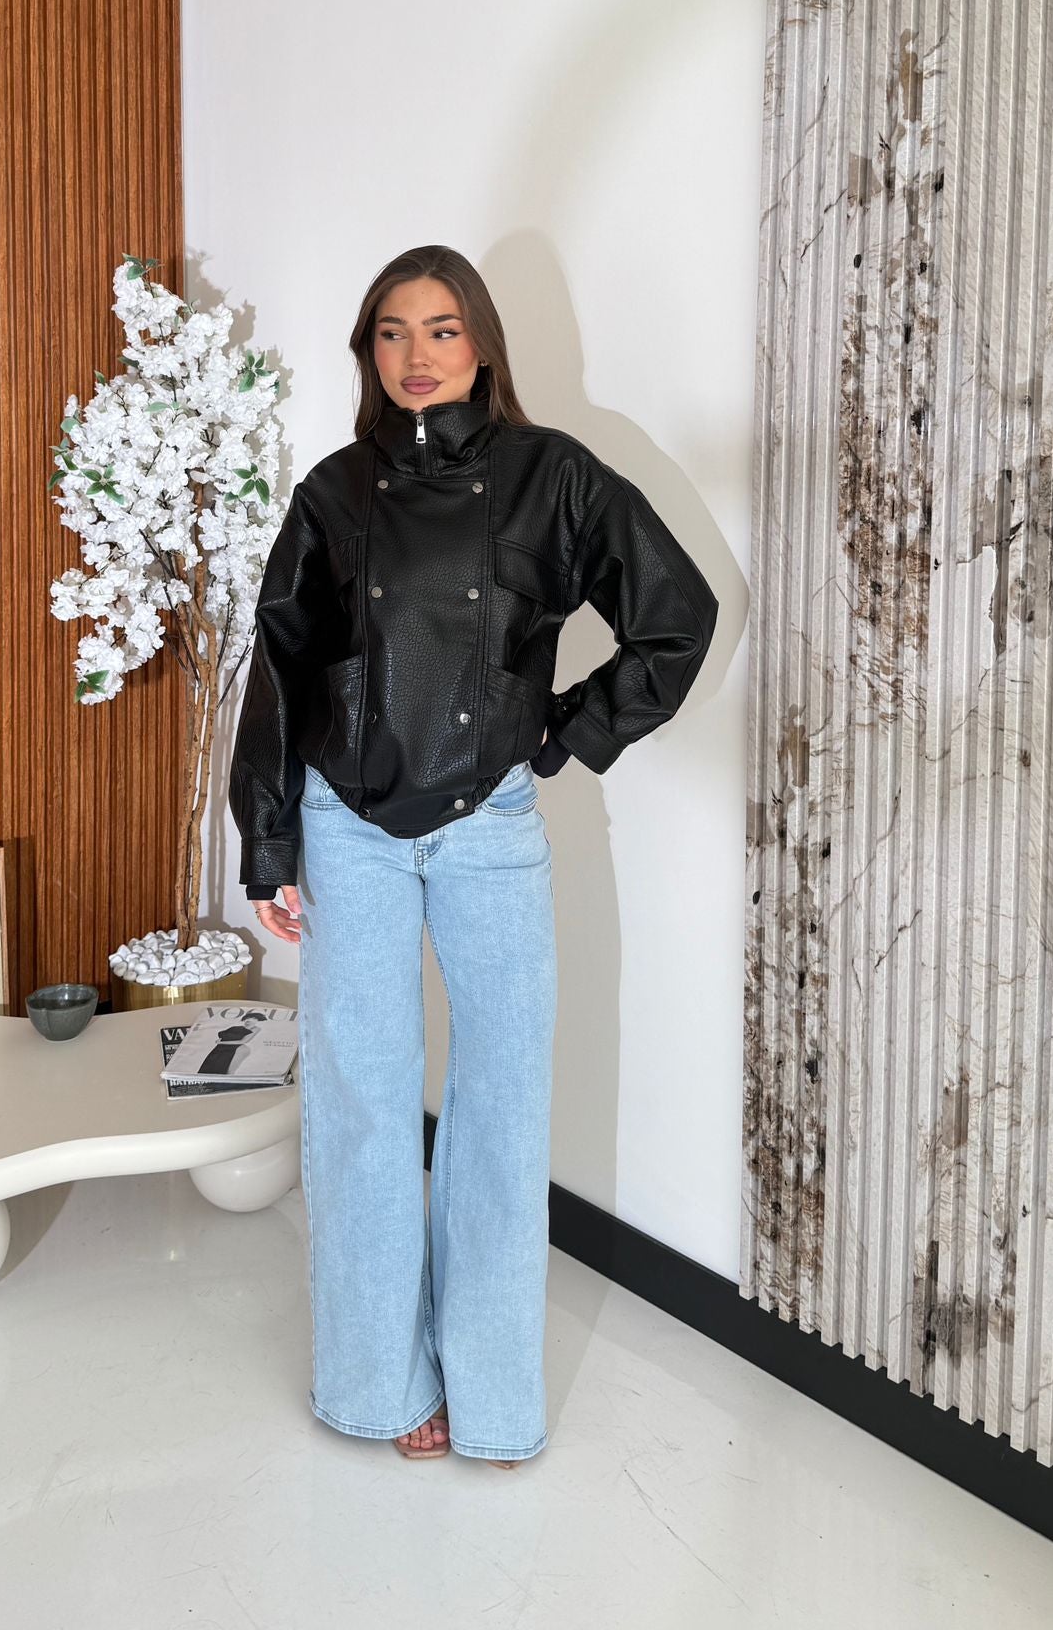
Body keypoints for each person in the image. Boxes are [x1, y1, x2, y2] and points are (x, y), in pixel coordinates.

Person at [227, 244, 718, 1468]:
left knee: (501, 1106)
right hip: (349, 826)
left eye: (441, 328)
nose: (417, 354)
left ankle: (493, 1394)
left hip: (490, 826)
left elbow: (678, 615)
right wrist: (270, 837)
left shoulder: (554, 477)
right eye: (392, 332)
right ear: (368, 350)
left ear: (483, 344)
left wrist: (569, 733)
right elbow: (281, 667)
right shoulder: (335, 491)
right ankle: (377, 1382)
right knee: (362, 1102)